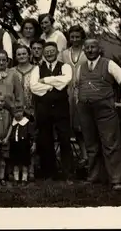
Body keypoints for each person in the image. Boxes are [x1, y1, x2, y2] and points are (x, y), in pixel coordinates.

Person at [76, 39, 121, 191]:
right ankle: (94, 177)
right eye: (87, 48)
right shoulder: (80, 67)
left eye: (93, 47)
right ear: (84, 50)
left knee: (110, 144)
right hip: (85, 110)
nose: (90, 50)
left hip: (105, 109)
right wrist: (78, 101)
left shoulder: (108, 64)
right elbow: (77, 86)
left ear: (99, 48)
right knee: (91, 145)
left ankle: (116, 180)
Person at [30, 41, 73, 183]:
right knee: (45, 140)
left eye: (52, 51)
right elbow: (34, 87)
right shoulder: (37, 69)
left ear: (57, 52)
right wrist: (52, 86)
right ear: (43, 53)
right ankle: (49, 173)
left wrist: (46, 80)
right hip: (44, 109)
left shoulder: (65, 66)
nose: (49, 53)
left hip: (61, 109)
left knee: (65, 139)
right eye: (46, 51)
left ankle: (68, 173)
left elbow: (66, 80)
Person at [62, 25, 89, 167]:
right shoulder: (65, 53)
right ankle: (76, 156)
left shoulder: (87, 52)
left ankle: (88, 154)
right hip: (67, 92)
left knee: (83, 124)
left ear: (82, 37)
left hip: (83, 91)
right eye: (72, 37)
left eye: (77, 37)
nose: (74, 39)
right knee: (71, 124)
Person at [12, 44, 37, 180]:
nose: (21, 56)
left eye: (24, 54)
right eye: (19, 54)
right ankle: (14, 170)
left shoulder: (36, 70)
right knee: (16, 141)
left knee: (29, 139)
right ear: (15, 57)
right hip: (16, 111)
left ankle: (30, 168)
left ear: (29, 55)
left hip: (32, 108)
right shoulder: (12, 71)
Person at [10, 106, 35, 184]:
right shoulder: (12, 123)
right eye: (16, 112)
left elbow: (32, 134)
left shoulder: (26, 122)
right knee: (15, 163)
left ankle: (24, 178)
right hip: (15, 145)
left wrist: (33, 143)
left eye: (20, 112)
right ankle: (16, 178)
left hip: (24, 145)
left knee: (25, 163)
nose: (18, 114)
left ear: (23, 112)